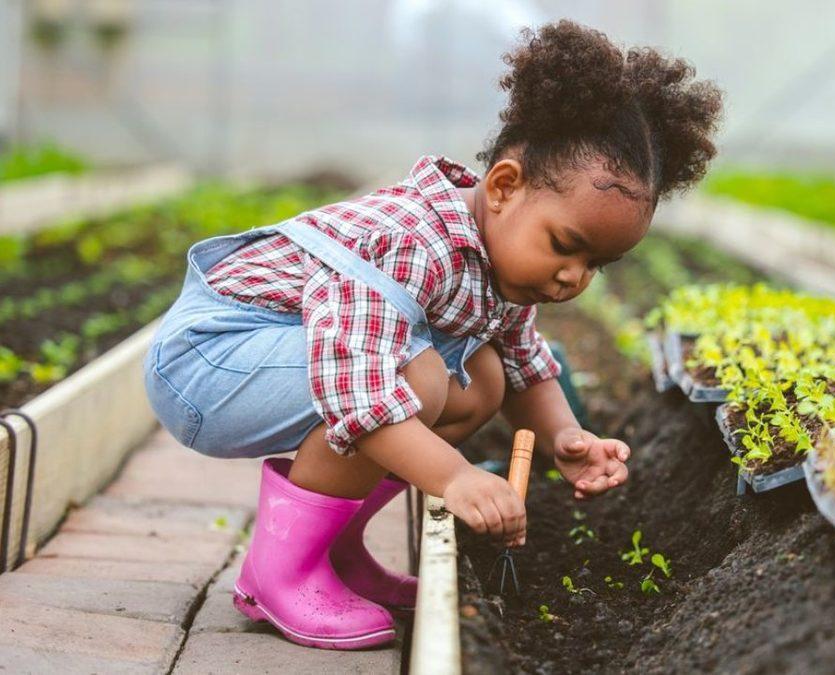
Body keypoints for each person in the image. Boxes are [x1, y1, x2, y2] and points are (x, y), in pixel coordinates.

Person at [143, 19, 722, 650]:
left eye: (596, 266)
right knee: (411, 377)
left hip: (279, 359)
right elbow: (360, 391)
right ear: (503, 187)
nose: (572, 278)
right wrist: (454, 477)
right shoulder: (412, 242)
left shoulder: (498, 265)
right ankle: (279, 575)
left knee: (484, 380)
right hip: (209, 363)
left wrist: (565, 437)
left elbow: (526, 364)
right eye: (567, 247)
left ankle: (333, 551)